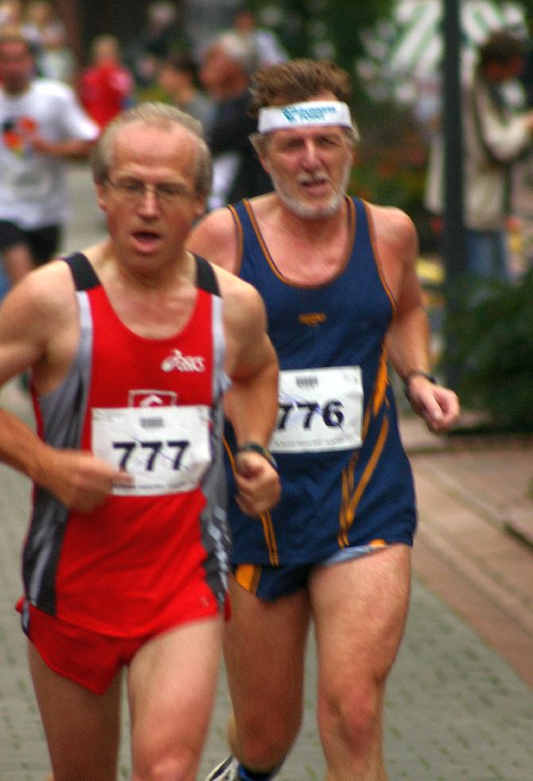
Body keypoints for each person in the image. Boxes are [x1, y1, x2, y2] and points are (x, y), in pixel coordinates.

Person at [186, 58, 460, 781]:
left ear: (349, 146)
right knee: (266, 737)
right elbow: (183, 349)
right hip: (255, 510)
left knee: (354, 708)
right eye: (292, 146)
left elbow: (405, 308)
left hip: (363, 497)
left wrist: (418, 375)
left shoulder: (389, 233)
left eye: (327, 142)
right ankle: (245, 770)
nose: (311, 161)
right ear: (264, 154)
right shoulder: (220, 240)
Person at [0, 101, 280, 781]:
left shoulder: (232, 306)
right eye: (131, 186)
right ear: (101, 192)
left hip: (183, 583)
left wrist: (254, 449)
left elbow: (258, 372)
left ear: (200, 201)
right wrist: (45, 464)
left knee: (167, 768)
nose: (148, 208)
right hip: (72, 588)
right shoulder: (52, 299)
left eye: (169, 191)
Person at [425, 29, 533, 280]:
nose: (515, 75)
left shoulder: (490, 89)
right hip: (471, 211)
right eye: (512, 68)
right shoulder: (471, 90)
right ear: (496, 66)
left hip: (485, 211)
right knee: (479, 288)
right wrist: (526, 126)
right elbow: (495, 149)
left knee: (496, 286)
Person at [0, 28, 99, 285]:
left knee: (41, 286)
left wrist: (54, 149)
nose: (12, 67)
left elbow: (91, 144)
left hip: (47, 209)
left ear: (31, 61)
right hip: (6, 208)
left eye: (19, 59)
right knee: (24, 283)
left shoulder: (55, 98)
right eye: (5, 60)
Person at [199, 31, 272, 210]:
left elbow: (214, 141)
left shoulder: (253, 106)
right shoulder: (222, 104)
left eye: (214, 58)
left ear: (235, 66)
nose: (206, 65)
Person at [79, 34, 135, 128]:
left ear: (116, 55)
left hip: (115, 126)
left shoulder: (121, 75)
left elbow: (127, 101)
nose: (105, 59)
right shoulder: (88, 77)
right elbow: (83, 104)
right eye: (101, 54)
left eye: (108, 54)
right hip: (93, 128)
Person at [157, 51, 213, 132]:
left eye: (167, 74)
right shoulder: (175, 107)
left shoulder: (201, 108)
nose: (162, 79)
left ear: (185, 76)